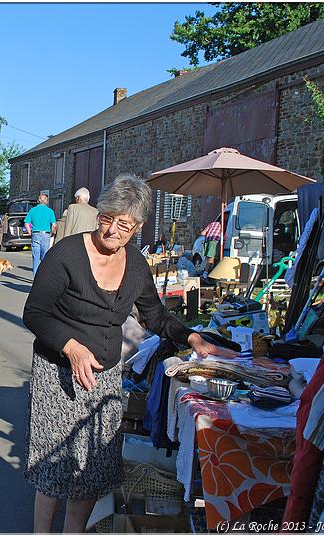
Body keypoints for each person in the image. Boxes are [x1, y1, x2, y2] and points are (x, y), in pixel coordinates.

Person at [21, 174, 238, 533]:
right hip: (57, 375)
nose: (111, 230)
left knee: (91, 469)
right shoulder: (66, 254)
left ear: (137, 227)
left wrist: (194, 338)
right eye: (106, 219)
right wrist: (72, 348)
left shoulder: (136, 264)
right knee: (54, 468)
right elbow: (35, 313)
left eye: (122, 224)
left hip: (104, 378)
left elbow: (154, 315)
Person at [23, 194, 57, 276]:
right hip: (46, 234)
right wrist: (52, 233)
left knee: (36, 256)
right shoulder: (50, 211)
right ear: (46, 201)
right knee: (44, 256)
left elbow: (26, 223)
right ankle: (43, 276)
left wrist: (30, 233)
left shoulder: (32, 210)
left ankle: (35, 277)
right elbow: (54, 225)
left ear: (38, 200)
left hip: (36, 234)